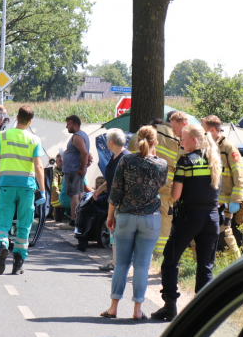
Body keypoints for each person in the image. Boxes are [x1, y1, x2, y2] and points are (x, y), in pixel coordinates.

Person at [152, 124, 221, 321]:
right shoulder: (214, 160)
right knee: (206, 265)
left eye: (183, 139)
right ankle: (202, 311)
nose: (181, 142)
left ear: (193, 140)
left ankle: (170, 306)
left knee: (170, 259)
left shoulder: (185, 161)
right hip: (212, 218)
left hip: (190, 217)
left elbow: (175, 195)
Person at [100, 125, 168, 320]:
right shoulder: (161, 164)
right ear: (156, 142)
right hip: (150, 218)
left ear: (137, 140)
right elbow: (161, 185)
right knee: (142, 266)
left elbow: (115, 191)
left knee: (121, 264)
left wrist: (110, 216)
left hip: (126, 216)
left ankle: (113, 307)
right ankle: (137, 310)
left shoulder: (126, 160)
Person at [0, 105, 47, 275]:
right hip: (27, 187)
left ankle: (2, 245)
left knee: (2, 221)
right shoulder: (34, 140)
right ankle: (18, 263)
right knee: (24, 224)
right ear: (30, 121)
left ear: (16, 117)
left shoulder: (3, 136)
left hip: (6, 184)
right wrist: (42, 191)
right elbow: (39, 167)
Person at [128, 110, 186, 257]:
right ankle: (160, 253)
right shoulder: (178, 136)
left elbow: (132, 147)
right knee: (165, 217)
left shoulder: (149, 131)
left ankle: (142, 250)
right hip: (167, 184)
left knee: (143, 215)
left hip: (144, 183)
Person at [201, 115, 243, 252]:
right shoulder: (207, 147)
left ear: (213, 130)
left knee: (225, 232)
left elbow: (240, 175)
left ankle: (236, 263)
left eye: (204, 131)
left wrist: (236, 200)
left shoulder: (228, 148)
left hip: (225, 201)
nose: (202, 135)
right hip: (210, 200)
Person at [94, 129, 131, 270]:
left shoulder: (125, 157)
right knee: (113, 233)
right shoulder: (114, 156)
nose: (106, 143)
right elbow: (111, 179)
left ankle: (119, 263)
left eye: (108, 140)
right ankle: (115, 262)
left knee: (118, 233)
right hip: (113, 200)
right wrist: (100, 189)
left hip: (120, 202)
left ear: (113, 142)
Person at [63, 115, 90, 227]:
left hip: (73, 171)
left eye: (69, 124)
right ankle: (78, 220)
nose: (66, 126)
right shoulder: (82, 135)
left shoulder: (77, 137)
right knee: (78, 195)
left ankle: (74, 221)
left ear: (75, 125)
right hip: (75, 170)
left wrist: (82, 169)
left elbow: (84, 153)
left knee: (74, 196)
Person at [50, 153, 65, 221]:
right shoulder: (55, 172)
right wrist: (62, 199)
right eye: (60, 161)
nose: (62, 162)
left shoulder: (68, 172)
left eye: (63, 160)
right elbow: (54, 188)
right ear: (56, 162)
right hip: (58, 202)